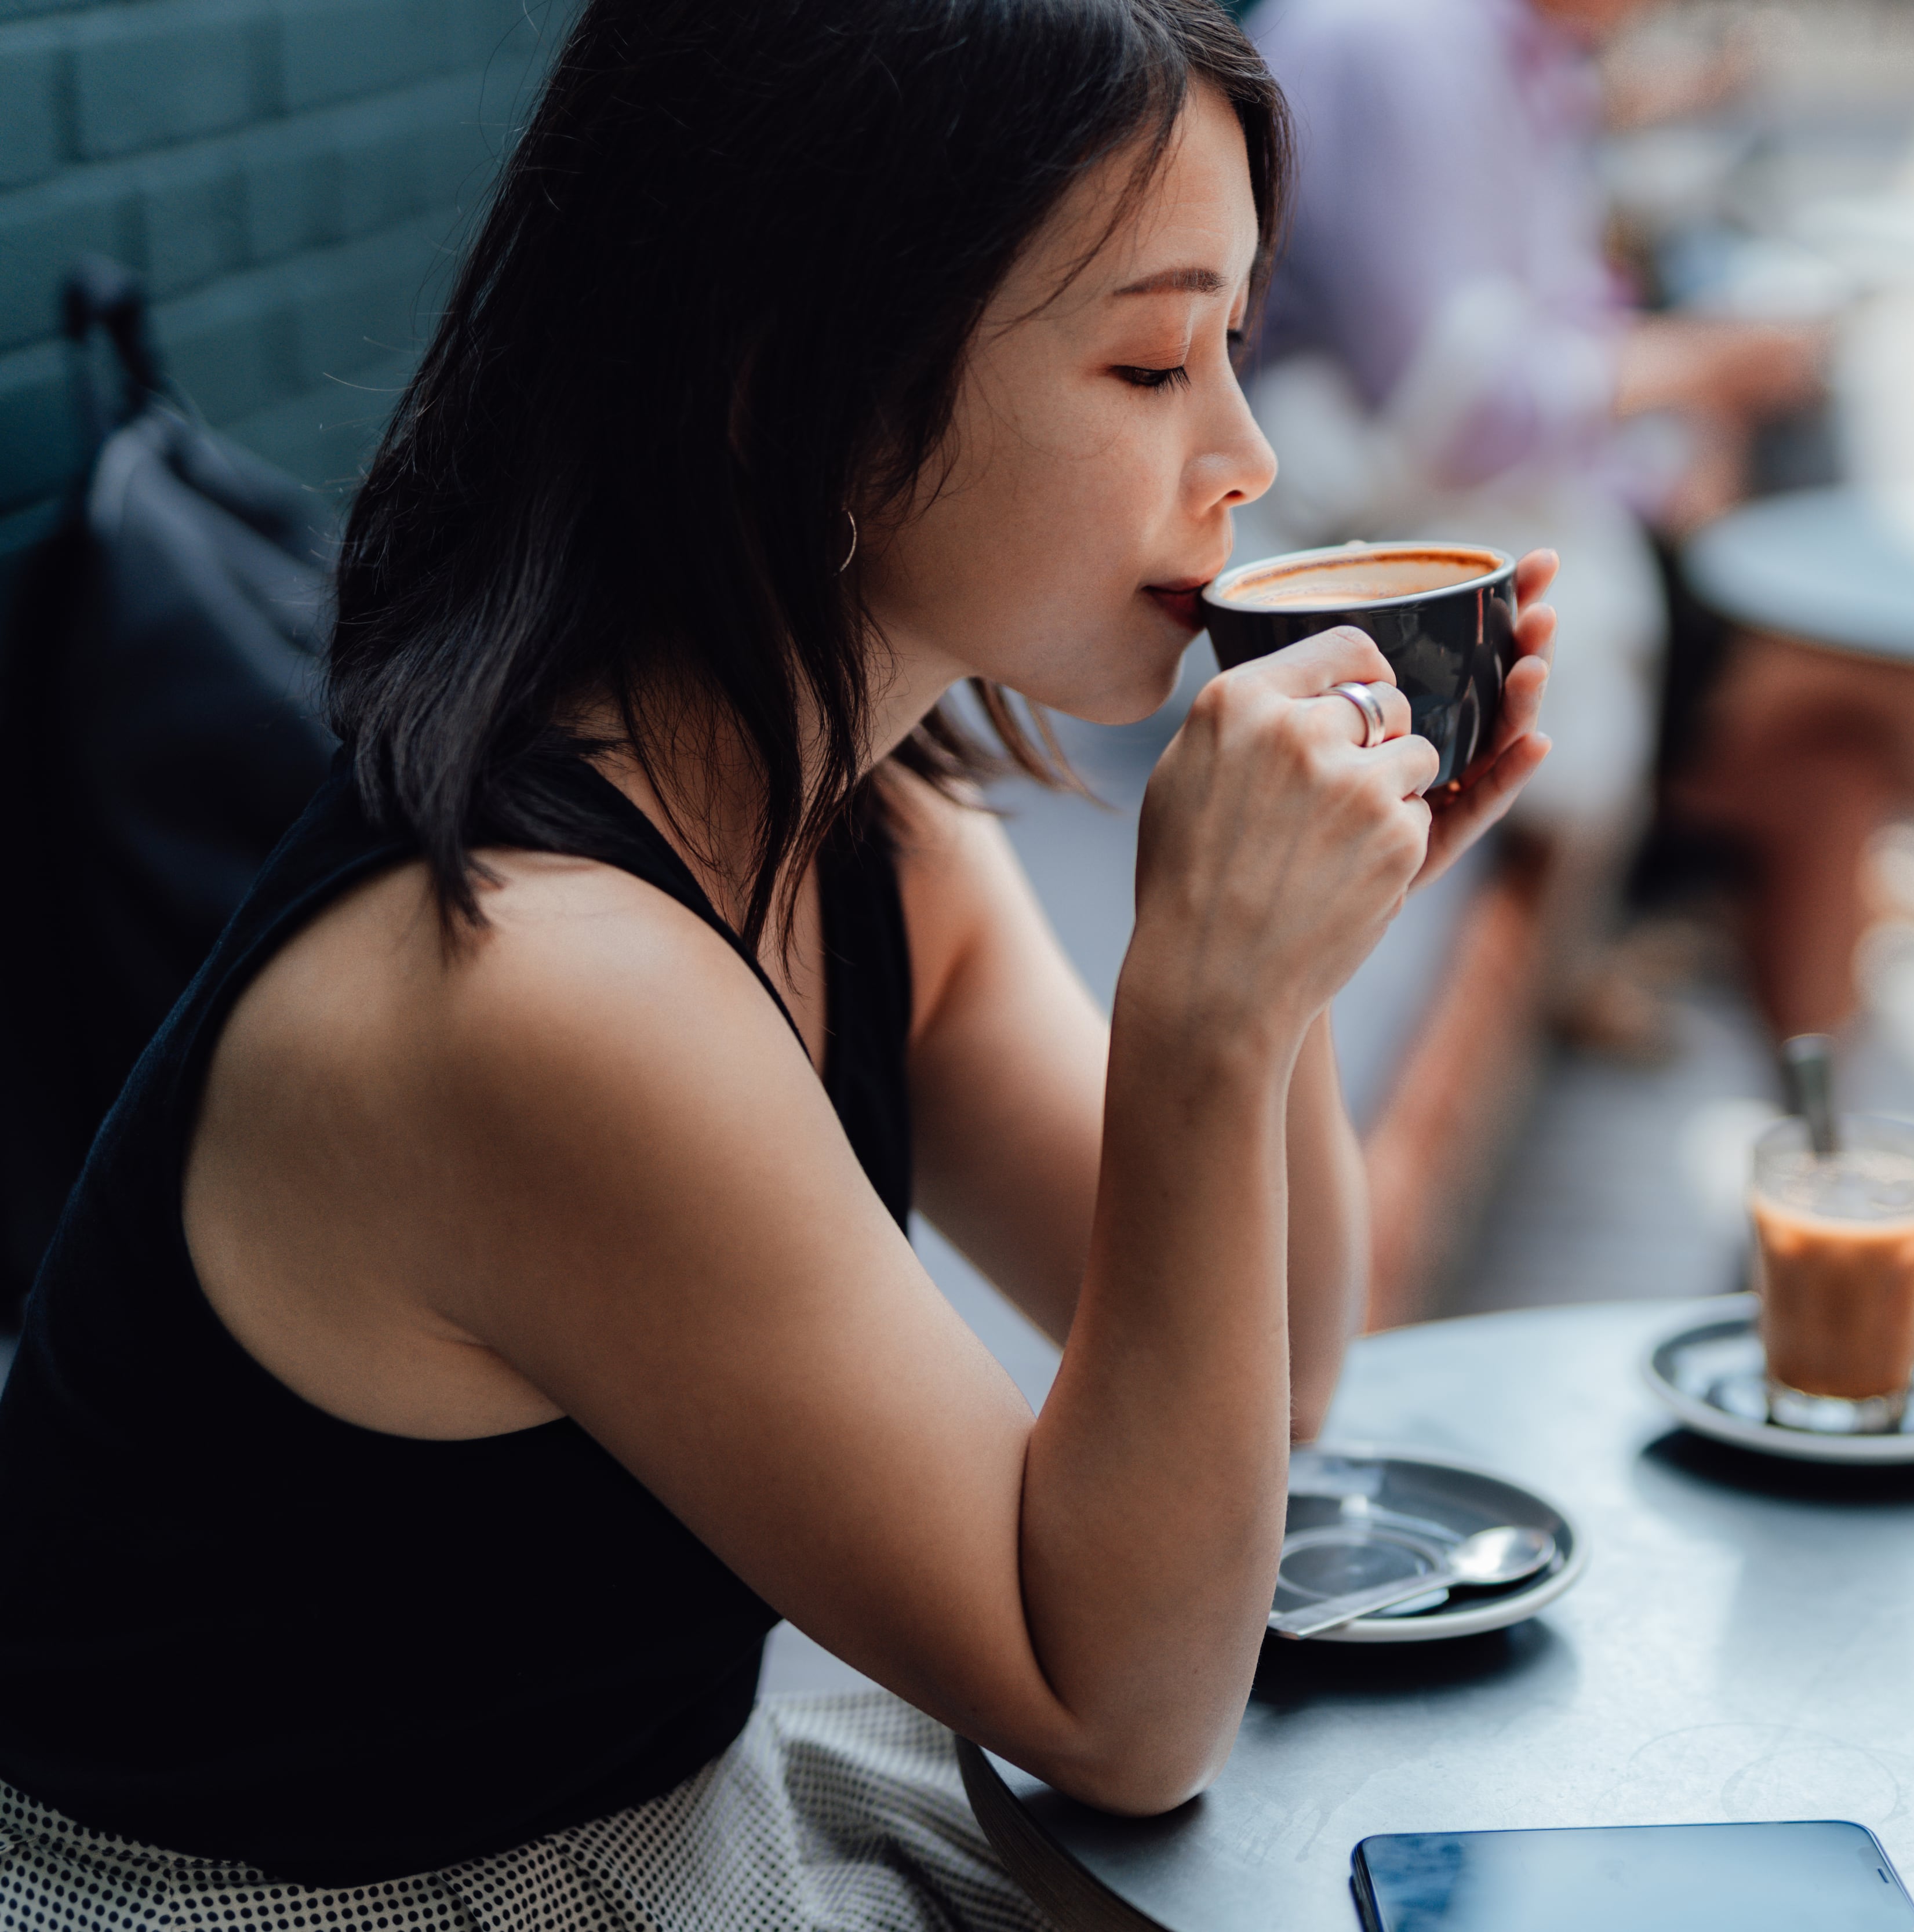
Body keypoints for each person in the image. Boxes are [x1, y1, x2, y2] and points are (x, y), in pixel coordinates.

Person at [0, 2, 1556, 1926]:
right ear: (798, 388)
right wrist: (1202, 1018)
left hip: (648, 1832)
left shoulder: (874, 824)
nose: (1239, 455)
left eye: (1234, 342)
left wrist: (1299, 945)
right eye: (1152, 359)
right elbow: (1124, 1700)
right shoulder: (543, 993)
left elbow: (1282, 1378)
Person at [1245, 0, 1837, 1052]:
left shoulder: (1511, 54)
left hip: (1477, 511)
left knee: (1840, 737)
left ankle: (1827, 1151)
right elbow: (1456, 409)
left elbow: (1548, 332)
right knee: (1840, 697)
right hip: (1369, 527)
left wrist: (1676, 425)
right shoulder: (1406, 46)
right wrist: (1703, 368)